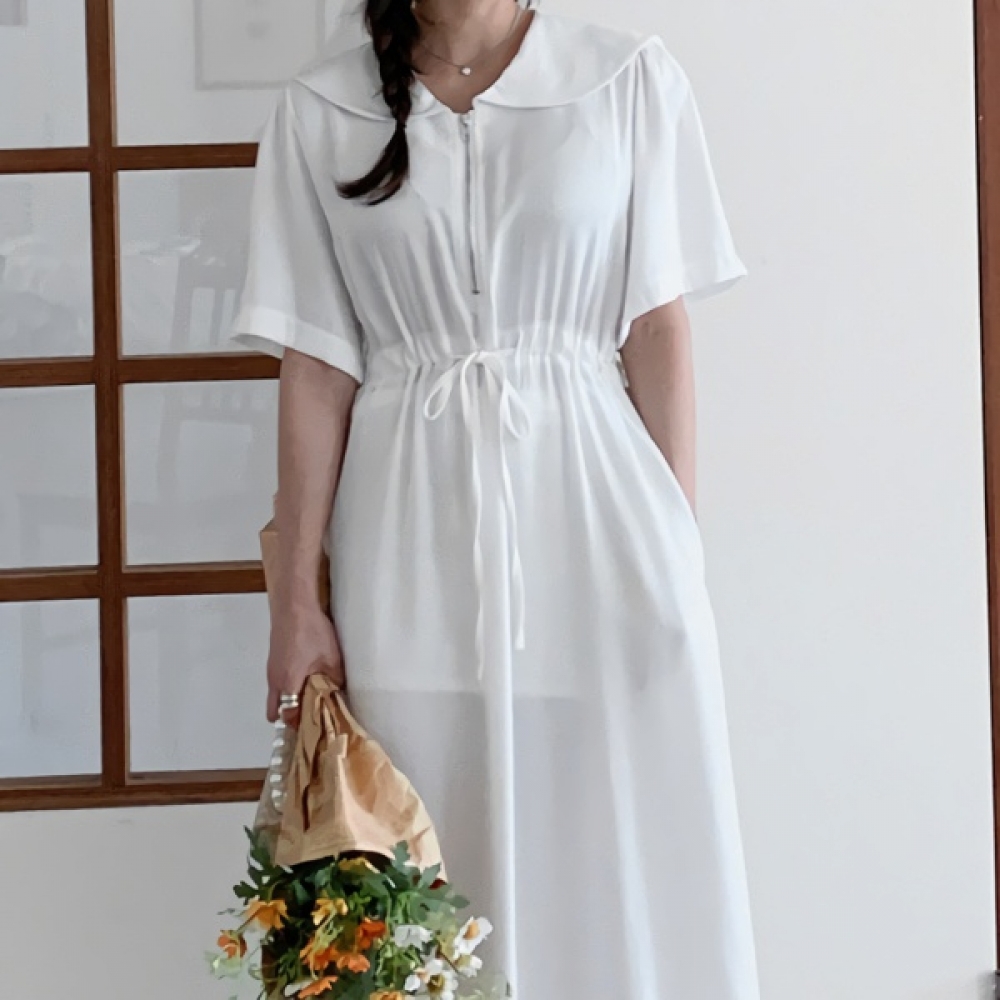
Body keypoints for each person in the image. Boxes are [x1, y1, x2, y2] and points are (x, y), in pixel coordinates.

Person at [231, 1, 760, 997]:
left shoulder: (625, 80)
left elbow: (657, 327)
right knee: (421, 824)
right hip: (403, 527)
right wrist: (295, 601)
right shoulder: (321, 107)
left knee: (608, 826)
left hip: (595, 513)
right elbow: (316, 366)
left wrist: (677, 550)